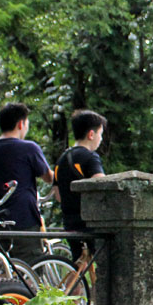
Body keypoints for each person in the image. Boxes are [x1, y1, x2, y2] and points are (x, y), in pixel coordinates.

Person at [0, 103, 54, 262]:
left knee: (1, 268)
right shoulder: (29, 148)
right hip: (24, 217)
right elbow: (48, 177)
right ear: (21, 124)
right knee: (31, 267)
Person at [53, 110, 107, 261]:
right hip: (89, 223)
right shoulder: (90, 158)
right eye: (100, 134)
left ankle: (73, 286)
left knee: (79, 263)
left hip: (69, 221)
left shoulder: (62, 159)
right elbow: (102, 186)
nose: (101, 139)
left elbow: (58, 195)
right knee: (106, 261)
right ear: (91, 134)